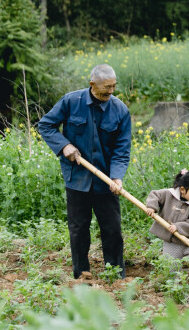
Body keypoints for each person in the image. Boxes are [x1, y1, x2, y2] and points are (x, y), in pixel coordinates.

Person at [38, 63, 131, 279]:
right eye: (106, 87)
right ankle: (81, 275)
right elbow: (46, 125)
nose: (111, 91)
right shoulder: (71, 102)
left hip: (105, 181)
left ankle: (115, 275)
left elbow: (122, 149)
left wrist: (117, 176)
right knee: (79, 230)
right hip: (77, 179)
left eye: (114, 86)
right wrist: (64, 145)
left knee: (112, 229)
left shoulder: (120, 110)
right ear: (92, 84)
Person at [145, 169, 189, 260]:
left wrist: (178, 227)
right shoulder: (169, 194)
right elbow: (155, 195)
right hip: (172, 242)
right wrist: (151, 207)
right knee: (170, 267)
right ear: (182, 190)